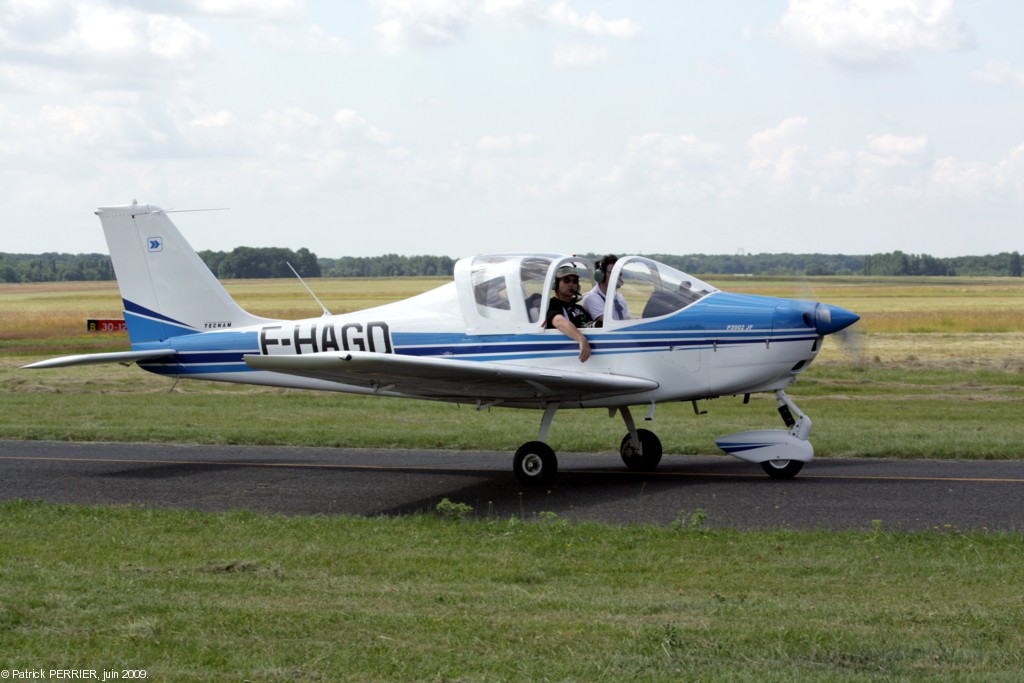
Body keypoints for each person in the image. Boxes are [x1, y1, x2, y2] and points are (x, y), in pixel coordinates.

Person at [545, 264, 592, 362]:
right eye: (566, 280)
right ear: (556, 283)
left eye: (574, 281)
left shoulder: (579, 308)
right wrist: (581, 338)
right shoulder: (552, 304)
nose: (571, 284)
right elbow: (559, 321)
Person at [581, 255, 630, 325]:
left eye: (619, 273)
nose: (617, 276)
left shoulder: (619, 297)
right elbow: (609, 324)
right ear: (601, 275)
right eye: (613, 273)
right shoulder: (591, 298)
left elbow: (627, 319)